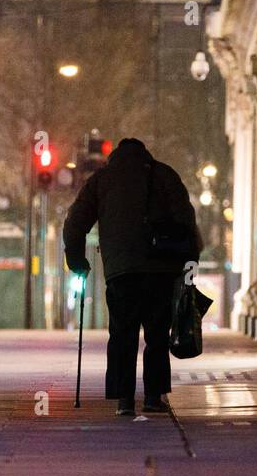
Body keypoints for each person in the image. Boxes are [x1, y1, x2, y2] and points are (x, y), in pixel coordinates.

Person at [63, 138, 202, 416]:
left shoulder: (101, 180)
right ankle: (153, 396)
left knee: (122, 334)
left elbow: (75, 221)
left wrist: (77, 259)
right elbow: (186, 219)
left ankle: (124, 399)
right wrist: (189, 261)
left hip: (120, 271)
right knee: (157, 335)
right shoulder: (164, 174)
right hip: (160, 268)